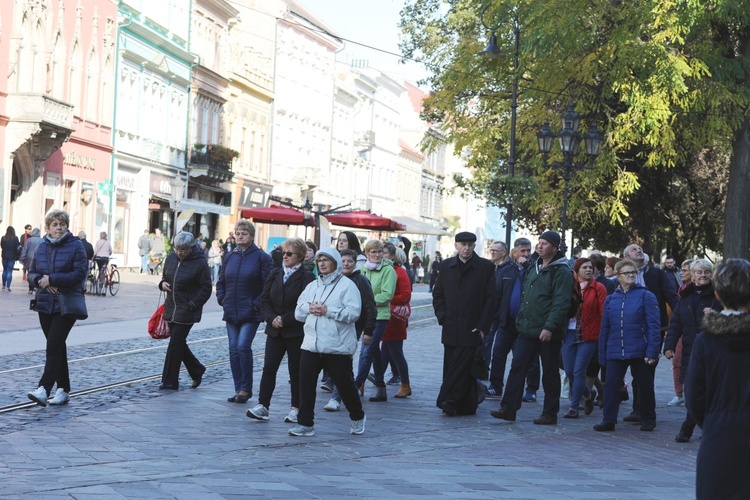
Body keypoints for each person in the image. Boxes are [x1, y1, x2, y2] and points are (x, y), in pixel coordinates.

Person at [491, 231, 572, 425]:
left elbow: (561, 303)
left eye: (545, 243)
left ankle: (550, 413)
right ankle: (508, 408)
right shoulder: (535, 267)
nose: (540, 246)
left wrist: (550, 327)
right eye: (539, 243)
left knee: (550, 371)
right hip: (527, 329)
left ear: (554, 247)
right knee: (518, 366)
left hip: (547, 331)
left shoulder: (561, 271)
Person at [685, 258, 750, 500]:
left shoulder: (706, 341)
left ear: (718, 295)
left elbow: (695, 397)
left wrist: (714, 422)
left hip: (719, 437)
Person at [291, 247, 366, 437]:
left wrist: (328, 311)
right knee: (306, 384)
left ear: (336, 263)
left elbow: (354, 313)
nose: (322, 263)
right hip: (311, 344)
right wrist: (310, 308)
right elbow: (298, 312)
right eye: (319, 260)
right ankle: (305, 423)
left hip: (336, 345)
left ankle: (357, 416)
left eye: (326, 260)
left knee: (345, 385)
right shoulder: (312, 286)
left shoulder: (347, 286)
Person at [247, 238, 315, 423]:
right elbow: (264, 300)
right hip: (274, 330)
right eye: (283, 253)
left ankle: (296, 407)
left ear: (300, 256)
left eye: (289, 253)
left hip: (295, 331)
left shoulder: (307, 277)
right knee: (269, 368)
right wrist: (271, 318)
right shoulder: (275, 273)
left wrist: (284, 320)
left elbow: (305, 305)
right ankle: (263, 405)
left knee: (296, 371)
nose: (284, 256)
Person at [26, 210, 88, 406]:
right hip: (45, 303)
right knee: (57, 346)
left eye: (62, 224)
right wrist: (39, 280)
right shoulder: (42, 247)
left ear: (67, 226)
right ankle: (63, 389)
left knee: (53, 345)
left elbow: (80, 273)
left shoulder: (76, 246)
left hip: (66, 303)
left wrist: (53, 279)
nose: (58, 228)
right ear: (48, 228)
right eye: (54, 224)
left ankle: (44, 389)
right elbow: (32, 272)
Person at [594, 259, 661, 432]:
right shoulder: (611, 299)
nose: (631, 275)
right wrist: (603, 354)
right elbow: (605, 328)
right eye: (627, 273)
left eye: (633, 272)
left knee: (645, 386)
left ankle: (648, 419)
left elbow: (654, 326)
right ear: (618, 276)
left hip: (640, 349)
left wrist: (652, 351)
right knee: (610, 386)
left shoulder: (646, 295)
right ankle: (608, 420)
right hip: (616, 349)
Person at [433, 231, 496, 416]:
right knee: (452, 365)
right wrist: (443, 316)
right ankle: (462, 403)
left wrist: (483, 326)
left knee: (464, 366)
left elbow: (491, 299)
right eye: (463, 244)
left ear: (474, 246)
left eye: (470, 245)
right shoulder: (446, 266)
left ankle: (449, 401)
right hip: (451, 326)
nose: (466, 248)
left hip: (473, 327)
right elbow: (438, 294)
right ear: (456, 246)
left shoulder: (485, 267)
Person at [663, 259, 722, 442]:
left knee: (710, 393)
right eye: (699, 272)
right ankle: (699, 427)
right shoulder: (686, 297)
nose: (703, 275)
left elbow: (731, 321)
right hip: (691, 353)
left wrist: (716, 317)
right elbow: (676, 324)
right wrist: (669, 345)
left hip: (714, 352)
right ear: (693, 275)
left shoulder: (719, 297)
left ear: (711, 275)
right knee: (692, 395)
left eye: (706, 272)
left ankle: (688, 429)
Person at [216, 220, 273, 403]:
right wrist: (222, 299)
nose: (240, 236)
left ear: (251, 236)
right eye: (238, 233)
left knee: (242, 346)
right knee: (233, 350)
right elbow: (221, 281)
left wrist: (256, 304)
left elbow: (267, 285)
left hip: (250, 311)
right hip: (231, 309)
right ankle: (238, 388)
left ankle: (246, 388)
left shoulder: (262, 257)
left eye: (244, 233)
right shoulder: (229, 256)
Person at [621, 243, 678, 423]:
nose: (638, 250)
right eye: (633, 249)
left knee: (647, 369)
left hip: (654, 329)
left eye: (639, 248)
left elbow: (671, 296)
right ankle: (638, 408)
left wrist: (680, 317)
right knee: (636, 370)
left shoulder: (656, 274)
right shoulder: (621, 276)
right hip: (631, 329)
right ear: (626, 257)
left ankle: (643, 410)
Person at [323, 248, 377, 412]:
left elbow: (370, 307)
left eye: (350, 261)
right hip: (333, 325)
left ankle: (336, 397)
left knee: (343, 362)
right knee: (334, 362)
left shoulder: (361, 280)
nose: (346, 264)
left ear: (355, 263)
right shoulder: (333, 278)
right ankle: (346, 392)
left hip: (353, 326)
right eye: (343, 261)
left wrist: (368, 330)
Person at [158, 232, 212, 390]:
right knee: (178, 343)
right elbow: (165, 276)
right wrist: (162, 283)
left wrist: (192, 304)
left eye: (182, 250)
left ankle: (169, 381)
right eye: (176, 249)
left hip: (187, 309)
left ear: (191, 248)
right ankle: (197, 370)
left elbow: (206, 288)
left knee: (175, 344)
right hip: (171, 306)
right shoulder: (171, 258)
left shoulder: (200, 263)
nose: (179, 252)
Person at [485, 238, 532, 399]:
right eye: (523, 251)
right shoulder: (507, 270)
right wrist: (494, 318)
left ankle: (530, 389)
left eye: (528, 250)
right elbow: (497, 295)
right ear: (515, 252)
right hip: (507, 321)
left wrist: (527, 265)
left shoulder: (533, 270)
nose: (526, 254)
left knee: (526, 358)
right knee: (498, 353)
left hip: (526, 322)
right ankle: (495, 385)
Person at [561, 258, 607, 418]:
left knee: (579, 370)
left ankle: (574, 406)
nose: (588, 270)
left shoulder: (598, 288)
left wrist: (603, 332)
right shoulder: (570, 287)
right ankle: (588, 394)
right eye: (584, 267)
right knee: (569, 370)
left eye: (590, 267)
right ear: (576, 271)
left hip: (589, 335)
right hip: (569, 333)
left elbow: (603, 312)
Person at [354, 239, 397, 401]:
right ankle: (380, 387)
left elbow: (387, 295)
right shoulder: (363, 270)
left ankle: (356, 384)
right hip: (364, 316)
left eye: (379, 251)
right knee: (374, 352)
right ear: (367, 254)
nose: (377, 255)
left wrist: (366, 301)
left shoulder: (388, 270)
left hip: (380, 316)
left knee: (366, 351)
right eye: (373, 252)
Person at [381, 245, 413, 398]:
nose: (380, 255)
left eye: (384, 253)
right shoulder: (379, 270)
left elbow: (406, 296)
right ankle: (375, 383)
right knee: (383, 352)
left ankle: (405, 384)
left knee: (395, 352)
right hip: (380, 316)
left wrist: (385, 300)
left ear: (392, 256)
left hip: (393, 318)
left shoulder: (400, 272)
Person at [483, 240, 512, 382]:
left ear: (504, 252)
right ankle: (483, 371)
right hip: (490, 314)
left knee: (499, 350)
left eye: (496, 250)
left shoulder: (510, 268)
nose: (493, 252)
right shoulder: (489, 267)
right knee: (486, 343)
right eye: (491, 250)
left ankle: (496, 381)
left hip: (504, 314)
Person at [21, 228, 44, 294]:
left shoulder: (29, 240)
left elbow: (24, 250)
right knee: (38, 273)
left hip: (29, 258)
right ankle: (36, 287)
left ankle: (30, 288)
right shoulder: (42, 240)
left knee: (30, 273)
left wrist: (22, 258)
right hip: (39, 259)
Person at [1, 226, 21, 291]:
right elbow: (18, 247)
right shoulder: (15, 238)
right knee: (9, 271)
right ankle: (8, 286)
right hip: (12, 256)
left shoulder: (3, 238)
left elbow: (1, 246)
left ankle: (3, 285)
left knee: (5, 270)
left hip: (4, 256)